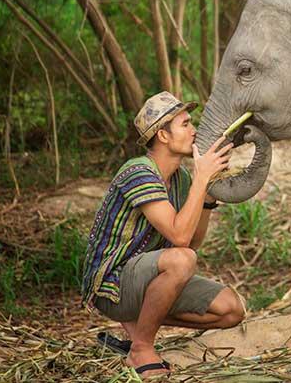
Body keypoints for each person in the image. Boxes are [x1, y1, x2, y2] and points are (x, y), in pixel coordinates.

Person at [81, 91, 245, 378]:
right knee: (182, 260)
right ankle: (141, 348)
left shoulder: (180, 180)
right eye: (185, 124)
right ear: (163, 136)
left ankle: (140, 325)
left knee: (231, 310)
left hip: (148, 278)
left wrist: (203, 193)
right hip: (112, 283)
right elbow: (181, 242)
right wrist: (202, 176)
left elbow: (193, 242)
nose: (194, 131)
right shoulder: (139, 172)